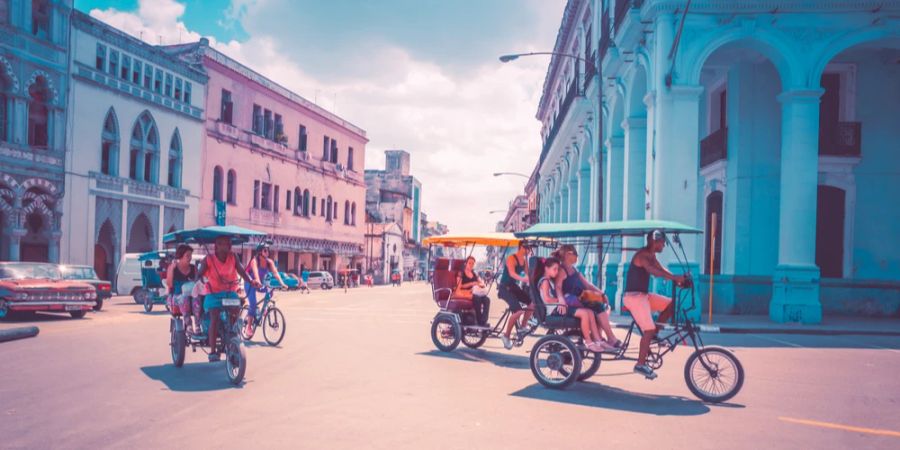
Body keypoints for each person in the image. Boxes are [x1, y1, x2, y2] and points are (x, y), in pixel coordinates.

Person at [624, 230, 684, 379]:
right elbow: (654, 271)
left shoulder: (652, 255)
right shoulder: (642, 255)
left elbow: (661, 268)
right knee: (648, 329)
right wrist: (674, 277)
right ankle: (640, 364)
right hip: (633, 297)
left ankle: (654, 334)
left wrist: (676, 278)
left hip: (643, 296)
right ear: (654, 241)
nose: (663, 245)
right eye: (662, 242)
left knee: (671, 304)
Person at [196, 235, 260, 361]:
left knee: (236, 310)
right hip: (213, 293)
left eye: (227, 244)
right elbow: (199, 275)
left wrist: (251, 281)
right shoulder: (208, 259)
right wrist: (201, 281)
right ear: (216, 246)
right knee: (214, 316)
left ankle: (231, 332)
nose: (225, 247)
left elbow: (242, 272)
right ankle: (213, 352)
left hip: (230, 292)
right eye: (221, 244)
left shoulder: (233, 257)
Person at [553, 244, 620, 352]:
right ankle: (609, 339)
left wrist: (602, 294)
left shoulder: (573, 270)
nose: (577, 257)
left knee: (601, 307)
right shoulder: (562, 270)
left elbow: (588, 285)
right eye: (576, 254)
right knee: (598, 307)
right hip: (571, 301)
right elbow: (558, 287)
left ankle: (602, 338)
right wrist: (561, 300)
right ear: (569, 254)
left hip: (579, 300)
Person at [538, 257, 607, 353]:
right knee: (584, 314)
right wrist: (561, 301)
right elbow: (547, 299)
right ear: (546, 268)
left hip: (559, 307)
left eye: (558, 269)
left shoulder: (549, 280)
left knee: (590, 312)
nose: (557, 272)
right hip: (554, 310)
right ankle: (588, 342)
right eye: (554, 269)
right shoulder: (545, 281)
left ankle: (598, 340)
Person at [244, 242, 287, 338]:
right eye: (265, 250)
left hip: (260, 283)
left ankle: (264, 309)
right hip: (250, 283)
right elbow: (255, 273)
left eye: (268, 250)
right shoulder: (254, 261)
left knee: (270, 291)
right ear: (260, 252)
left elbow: (276, 273)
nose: (267, 252)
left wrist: (282, 283)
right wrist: (258, 281)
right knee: (253, 304)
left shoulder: (269, 262)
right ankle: (249, 327)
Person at [498, 242, 533, 349]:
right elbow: (512, 273)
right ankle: (506, 336)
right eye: (528, 247)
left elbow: (529, 274)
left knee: (532, 304)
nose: (529, 250)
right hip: (504, 288)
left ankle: (523, 326)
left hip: (513, 286)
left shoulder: (525, 260)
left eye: (530, 248)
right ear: (521, 247)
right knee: (519, 311)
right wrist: (523, 279)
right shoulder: (511, 258)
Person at [166, 244, 199, 335]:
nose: (190, 258)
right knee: (184, 298)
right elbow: (169, 284)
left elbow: (197, 283)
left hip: (192, 295)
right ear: (180, 256)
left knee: (197, 299)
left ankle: (197, 324)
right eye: (187, 256)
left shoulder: (193, 268)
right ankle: (188, 324)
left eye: (190, 256)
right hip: (177, 297)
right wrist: (171, 270)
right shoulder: (173, 268)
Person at [456, 256, 490, 327]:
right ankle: (479, 321)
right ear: (466, 263)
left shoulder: (474, 273)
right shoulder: (461, 273)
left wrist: (481, 285)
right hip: (466, 292)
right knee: (477, 299)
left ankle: (484, 321)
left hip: (475, 292)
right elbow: (459, 286)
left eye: (472, 264)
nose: (471, 265)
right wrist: (472, 284)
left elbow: (480, 282)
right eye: (469, 263)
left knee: (487, 300)